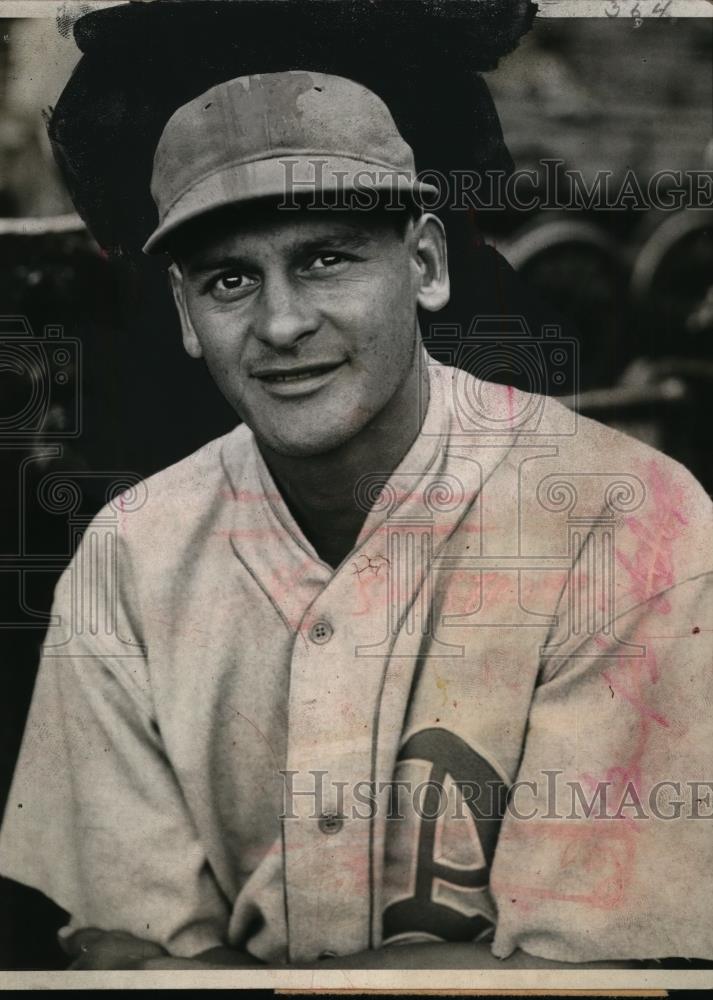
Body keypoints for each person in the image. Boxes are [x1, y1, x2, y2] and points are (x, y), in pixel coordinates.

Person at [2, 70, 713, 972]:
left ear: (423, 263)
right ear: (186, 314)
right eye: (230, 280)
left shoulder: (627, 518)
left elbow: (600, 980)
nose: (283, 321)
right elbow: (122, 958)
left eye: (324, 258)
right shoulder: (127, 559)